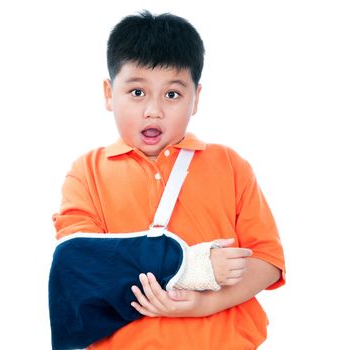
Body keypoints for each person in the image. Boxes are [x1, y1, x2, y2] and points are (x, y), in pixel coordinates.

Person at [49, 10, 285, 350]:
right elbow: (81, 267)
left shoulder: (230, 165)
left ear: (196, 98)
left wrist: (206, 304)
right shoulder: (86, 172)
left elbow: (268, 260)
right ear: (108, 93)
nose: (154, 110)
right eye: (137, 92)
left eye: (172, 94)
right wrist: (194, 268)